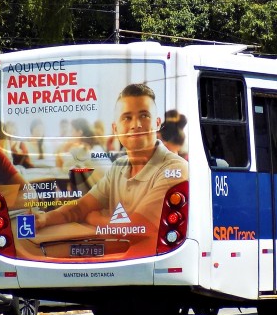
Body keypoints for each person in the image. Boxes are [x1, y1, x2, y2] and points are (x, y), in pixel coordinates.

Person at [35, 83, 188, 231]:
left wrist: (94, 219)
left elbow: (137, 228)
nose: (136, 124)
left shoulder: (174, 168)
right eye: (127, 118)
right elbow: (81, 207)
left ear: (157, 123)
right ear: (115, 129)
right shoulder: (118, 167)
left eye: (144, 115)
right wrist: (46, 218)